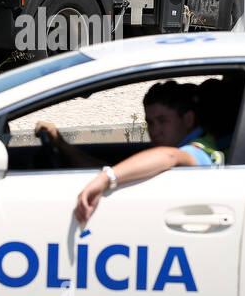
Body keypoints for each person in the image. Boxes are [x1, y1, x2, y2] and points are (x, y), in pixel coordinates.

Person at [68, 80, 222, 225]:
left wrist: (106, 178)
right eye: (150, 122)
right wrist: (62, 145)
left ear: (188, 119)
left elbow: (170, 156)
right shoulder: (194, 143)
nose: (155, 131)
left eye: (162, 121)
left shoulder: (199, 150)